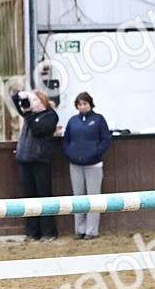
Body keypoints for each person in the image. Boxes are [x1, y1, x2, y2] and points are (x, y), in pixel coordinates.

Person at [61, 91, 112, 240]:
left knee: (93, 198)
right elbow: (66, 140)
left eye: (85, 103)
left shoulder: (98, 120)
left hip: (93, 165)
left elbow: (106, 139)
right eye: (80, 104)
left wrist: (96, 152)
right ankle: (79, 229)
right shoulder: (73, 121)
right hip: (75, 164)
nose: (82, 106)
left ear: (90, 104)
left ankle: (91, 230)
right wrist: (70, 153)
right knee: (78, 198)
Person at [12, 89, 59, 242]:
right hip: (25, 159)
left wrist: (28, 114)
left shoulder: (51, 116)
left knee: (44, 196)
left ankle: (48, 231)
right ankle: (32, 232)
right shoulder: (29, 114)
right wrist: (21, 95)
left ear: (43, 102)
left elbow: (38, 131)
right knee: (29, 198)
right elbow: (13, 101)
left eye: (36, 100)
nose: (33, 103)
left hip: (41, 161)